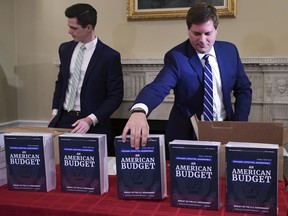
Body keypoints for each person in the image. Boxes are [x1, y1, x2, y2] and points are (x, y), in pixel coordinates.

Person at [122, 3, 252, 158]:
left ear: (216, 30)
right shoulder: (177, 57)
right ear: (188, 30)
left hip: (225, 132)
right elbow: (158, 87)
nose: (203, 40)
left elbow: (243, 89)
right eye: (196, 34)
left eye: (208, 33)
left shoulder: (230, 51)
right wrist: (139, 110)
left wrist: (239, 126)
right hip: (187, 136)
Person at [48, 3, 123, 155]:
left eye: (74, 28)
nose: (69, 31)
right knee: (59, 169)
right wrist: (55, 112)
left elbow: (115, 96)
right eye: (69, 26)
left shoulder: (109, 56)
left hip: (93, 124)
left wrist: (90, 120)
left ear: (88, 27)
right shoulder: (65, 49)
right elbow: (61, 82)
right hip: (63, 120)